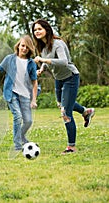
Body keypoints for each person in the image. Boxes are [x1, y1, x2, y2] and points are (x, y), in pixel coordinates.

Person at [31, 19, 95, 154]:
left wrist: (42, 60)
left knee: (65, 112)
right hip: (58, 79)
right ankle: (85, 111)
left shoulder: (58, 44)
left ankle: (71, 147)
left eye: (39, 29)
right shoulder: (43, 47)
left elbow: (63, 62)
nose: (37, 32)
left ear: (46, 30)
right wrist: (42, 68)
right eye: (35, 30)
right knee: (61, 104)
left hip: (70, 77)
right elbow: (48, 59)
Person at [0, 35, 38, 151]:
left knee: (28, 121)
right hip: (11, 93)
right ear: (18, 46)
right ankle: (17, 145)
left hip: (25, 94)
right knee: (18, 116)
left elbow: (34, 83)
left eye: (27, 47)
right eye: (22, 46)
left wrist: (34, 100)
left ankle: (21, 136)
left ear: (30, 49)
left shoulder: (31, 63)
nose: (24, 49)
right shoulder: (9, 59)